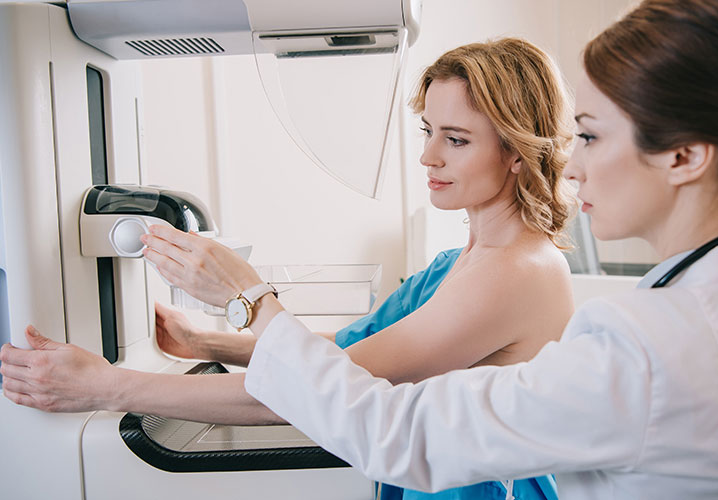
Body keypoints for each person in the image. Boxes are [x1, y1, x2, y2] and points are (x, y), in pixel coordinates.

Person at [25, 0, 718, 497]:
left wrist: (124, 376)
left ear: (686, 155)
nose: (577, 159)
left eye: (591, 137)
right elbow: (361, 355)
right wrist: (218, 337)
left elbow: (391, 425)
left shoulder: (641, 340)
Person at [0, 39, 577, 500]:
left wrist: (105, 386)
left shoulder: (518, 272)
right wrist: (210, 340)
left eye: (456, 139)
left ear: (518, 150)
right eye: (428, 132)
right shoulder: (462, 260)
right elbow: (352, 349)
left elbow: (319, 389)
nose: (428, 157)